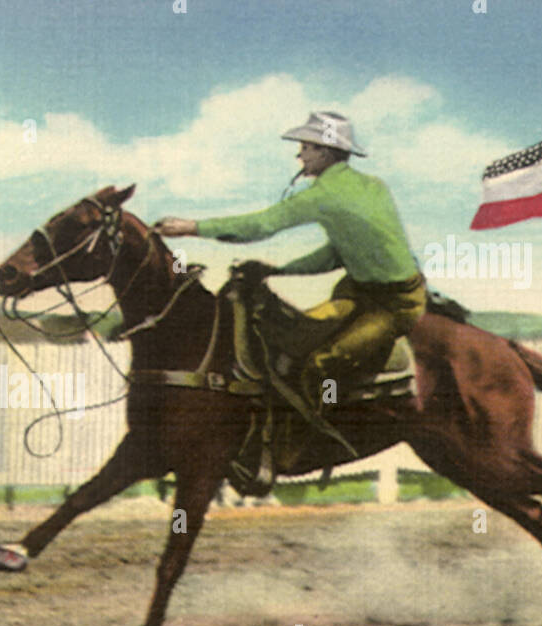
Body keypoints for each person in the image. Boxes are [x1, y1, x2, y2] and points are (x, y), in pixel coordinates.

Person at [155, 111, 426, 478]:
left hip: (395, 306)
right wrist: (278, 270)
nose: (299, 155)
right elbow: (336, 253)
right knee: (293, 338)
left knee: (320, 362)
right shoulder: (371, 186)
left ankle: (304, 442)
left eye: (306, 147)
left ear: (326, 152)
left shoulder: (327, 194)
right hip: (357, 293)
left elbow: (262, 224)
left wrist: (192, 227)